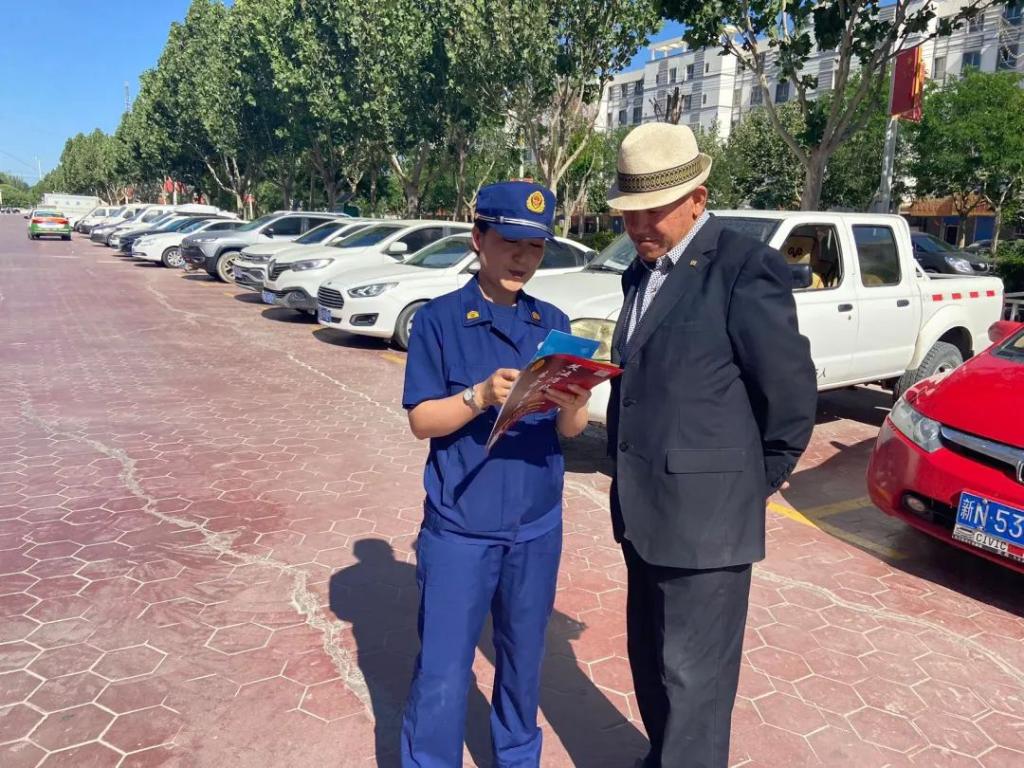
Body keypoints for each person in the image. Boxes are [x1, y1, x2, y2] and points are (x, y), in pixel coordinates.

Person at [604, 123, 818, 768]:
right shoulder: (641, 273)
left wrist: (752, 482)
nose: (638, 225)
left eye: (653, 210)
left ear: (697, 198)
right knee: (650, 660)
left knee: (694, 683)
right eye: (630, 212)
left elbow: (789, 392)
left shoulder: (744, 267)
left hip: (708, 521)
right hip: (644, 511)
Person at [400, 180, 592, 767]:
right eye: (510, 242)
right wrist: (479, 395)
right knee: (443, 670)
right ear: (478, 238)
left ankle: (517, 757)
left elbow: (571, 431)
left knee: (523, 660)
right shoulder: (439, 320)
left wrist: (576, 402)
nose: (522, 258)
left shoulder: (552, 322)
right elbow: (422, 421)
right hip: (461, 526)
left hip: (536, 526)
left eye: (534, 247)